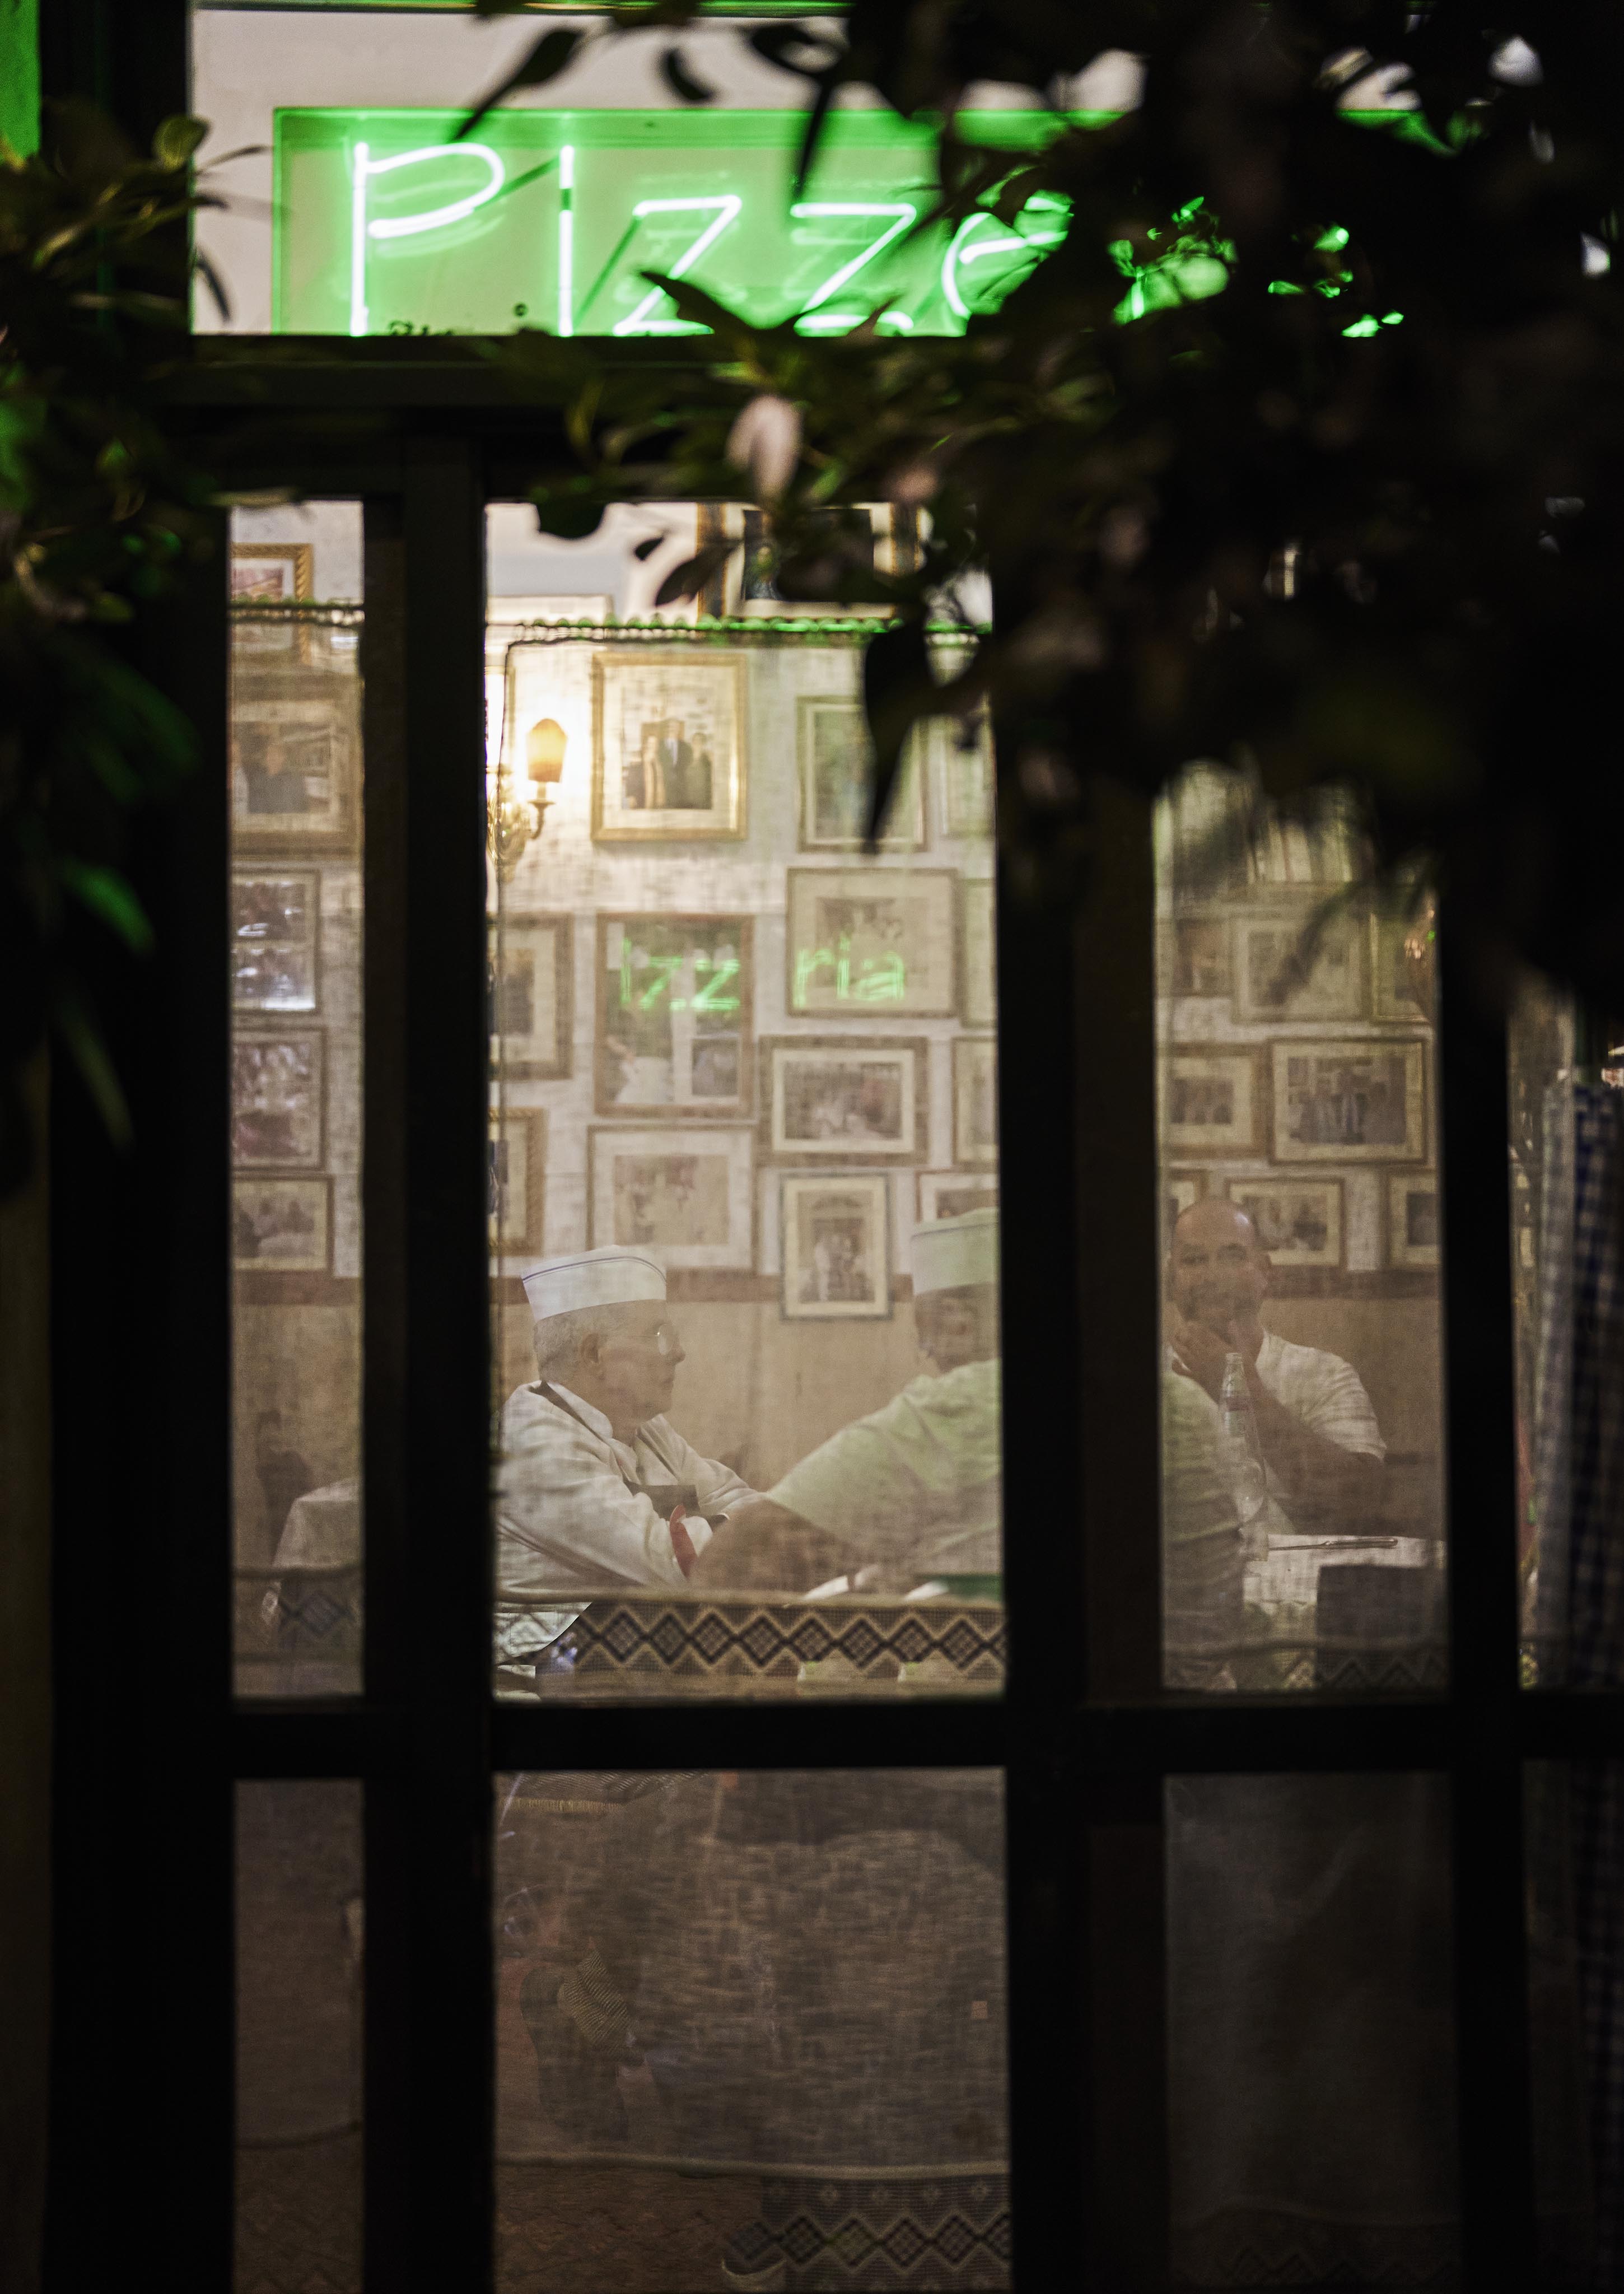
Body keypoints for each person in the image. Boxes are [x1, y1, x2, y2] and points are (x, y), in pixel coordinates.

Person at [694, 1207, 1003, 1594]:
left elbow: (737, 1561)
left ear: (958, 1321)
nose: (927, 1355)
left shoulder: (962, 1402)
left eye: (925, 1335)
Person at [496, 1247, 759, 1640]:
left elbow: (739, 1498)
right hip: (537, 1684)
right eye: (657, 1335)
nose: (678, 1352)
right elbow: (673, 1563)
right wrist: (757, 1531)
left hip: (633, 1656)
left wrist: (742, 1526)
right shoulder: (533, 1444)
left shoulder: (645, 1426)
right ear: (594, 1353)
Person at [1165, 1197, 1384, 1537]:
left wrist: (1243, 1389)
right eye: (1193, 1260)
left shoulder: (1324, 1375)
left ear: (1265, 1272)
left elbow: (1360, 1507)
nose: (1212, 1275)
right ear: (1172, 1279)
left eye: (1233, 1256)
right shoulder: (1142, 1382)